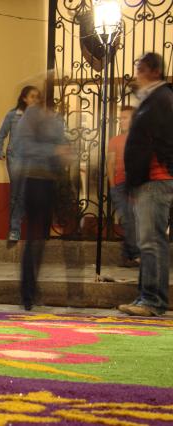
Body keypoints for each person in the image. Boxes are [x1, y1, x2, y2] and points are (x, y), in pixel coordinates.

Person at [119, 52, 173, 317]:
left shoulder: (162, 99)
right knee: (148, 242)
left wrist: (155, 168)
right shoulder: (152, 99)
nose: (136, 73)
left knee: (151, 242)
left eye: (140, 68)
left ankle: (153, 300)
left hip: (155, 178)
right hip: (147, 180)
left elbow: (157, 140)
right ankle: (145, 297)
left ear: (153, 70)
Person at [17, 101, 69, 310]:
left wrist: (64, 152)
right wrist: (54, 150)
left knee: (40, 239)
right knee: (34, 238)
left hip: (50, 182)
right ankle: (27, 293)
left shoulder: (55, 120)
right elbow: (23, 147)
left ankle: (31, 289)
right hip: (34, 180)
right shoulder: (31, 116)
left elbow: (62, 145)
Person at [0, 86, 41, 242]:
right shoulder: (13, 115)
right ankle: (15, 229)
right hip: (15, 158)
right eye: (32, 96)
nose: (35, 100)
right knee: (17, 193)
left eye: (37, 97)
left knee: (26, 194)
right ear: (24, 98)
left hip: (32, 159)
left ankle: (19, 228)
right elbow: (1, 134)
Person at [106, 106, 139, 267]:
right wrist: (113, 187)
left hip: (136, 184)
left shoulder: (140, 139)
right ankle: (135, 254)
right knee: (128, 219)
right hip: (120, 185)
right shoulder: (115, 140)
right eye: (120, 118)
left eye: (125, 117)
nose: (121, 121)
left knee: (134, 220)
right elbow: (110, 164)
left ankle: (126, 257)